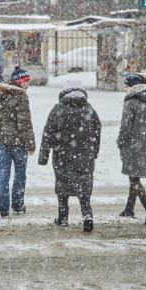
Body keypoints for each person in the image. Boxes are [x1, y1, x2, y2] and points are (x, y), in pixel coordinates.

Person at [38, 80, 101, 232]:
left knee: (62, 186)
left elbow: (48, 133)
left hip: (62, 155)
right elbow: (97, 131)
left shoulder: (58, 109)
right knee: (84, 187)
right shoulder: (89, 109)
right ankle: (87, 215)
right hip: (85, 156)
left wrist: (44, 155)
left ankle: (63, 217)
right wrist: (94, 151)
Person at [0, 66, 35, 219]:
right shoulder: (21, 96)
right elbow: (24, 124)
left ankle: (3, 209)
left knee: (3, 174)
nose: (28, 85)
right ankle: (17, 204)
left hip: (1, 143)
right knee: (20, 174)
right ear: (20, 81)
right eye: (27, 81)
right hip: (18, 144)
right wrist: (30, 144)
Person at [117, 73, 146, 225]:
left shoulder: (130, 103)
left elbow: (125, 127)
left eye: (126, 85)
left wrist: (121, 142)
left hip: (131, 144)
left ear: (132, 86)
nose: (125, 88)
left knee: (134, 178)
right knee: (134, 176)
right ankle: (129, 208)